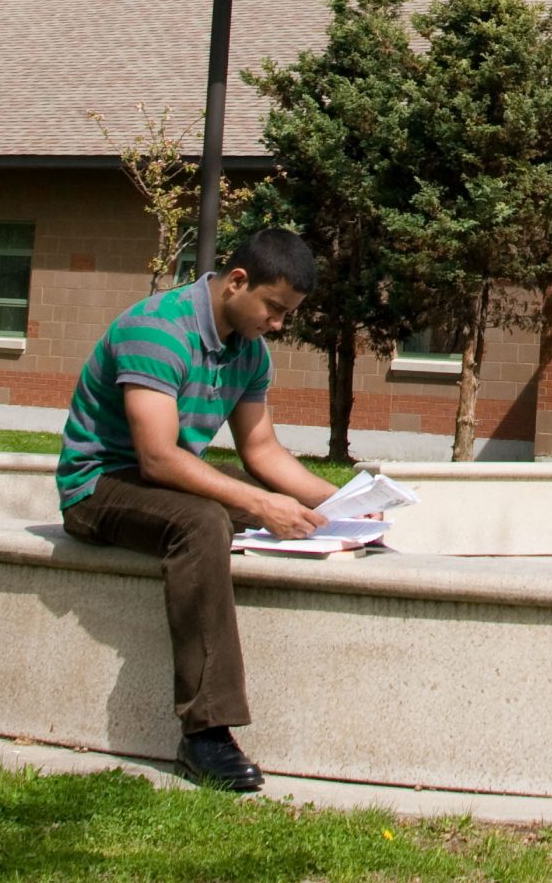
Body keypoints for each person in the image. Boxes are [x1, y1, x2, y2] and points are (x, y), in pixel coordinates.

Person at [55, 226, 343, 794]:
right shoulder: (157, 330)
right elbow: (158, 458)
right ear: (238, 281)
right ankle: (206, 731)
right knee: (204, 521)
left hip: (163, 479)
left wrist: (343, 507)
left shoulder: (250, 352)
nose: (279, 325)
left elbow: (262, 452)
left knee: (266, 507)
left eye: (288, 314)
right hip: (100, 485)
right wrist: (259, 502)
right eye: (274, 309)